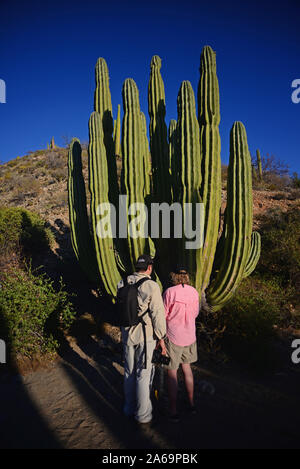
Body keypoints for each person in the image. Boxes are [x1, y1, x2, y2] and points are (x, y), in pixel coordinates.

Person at [118, 254, 167, 425]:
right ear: (149, 268)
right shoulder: (151, 286)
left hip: (126, 334)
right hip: (145, 336)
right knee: (143, 375)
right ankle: (143, 414)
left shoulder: (122, 282)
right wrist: (161, 337)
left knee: (129, 372)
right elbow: (157, 314)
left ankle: (128, 408)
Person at [162, 265, 210, 423]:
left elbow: (164, 315)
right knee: (187, 369)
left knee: (172, 372)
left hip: (173, 336)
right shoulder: (194, 292)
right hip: (189, 336)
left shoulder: (169, 292)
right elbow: (196, 313)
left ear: (174, 276)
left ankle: (173, 410)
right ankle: (191, 404)